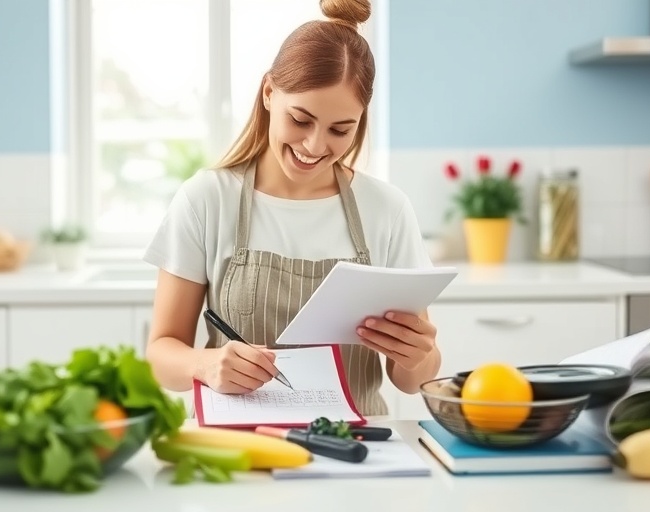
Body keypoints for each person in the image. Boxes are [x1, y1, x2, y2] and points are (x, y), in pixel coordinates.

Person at [141, 0, 440, 416]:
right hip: (237, 448)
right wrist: (206, 364)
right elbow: (160, 355)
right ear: (268, 93)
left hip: (358, 448)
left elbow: (412, 381)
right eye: (300, 119)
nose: (315, 146)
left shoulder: (386, 209)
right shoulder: (207, 198)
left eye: (340, 130)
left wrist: (419, 355)